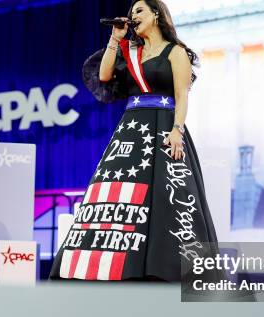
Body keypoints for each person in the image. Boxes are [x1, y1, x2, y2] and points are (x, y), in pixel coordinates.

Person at [49, 0, 218, 282]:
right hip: (132, 129)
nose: (133, 16)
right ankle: (110, 268)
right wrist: (115, 38)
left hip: (164, 126)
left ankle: (169, 269)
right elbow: (104, 75)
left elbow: (183, 95)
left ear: (157, 14)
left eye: (139, 10)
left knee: (168, 198)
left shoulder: (176, 52)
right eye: (131, 12)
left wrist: (177, 129)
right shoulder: (131, 51)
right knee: (117, 193)